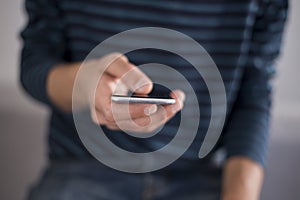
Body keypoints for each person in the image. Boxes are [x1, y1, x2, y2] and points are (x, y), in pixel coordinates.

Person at [20, 0, 288, 199]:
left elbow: (254, 92)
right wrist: (84, 83)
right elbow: (34, 64)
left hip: (199, 174)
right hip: (82, 165)